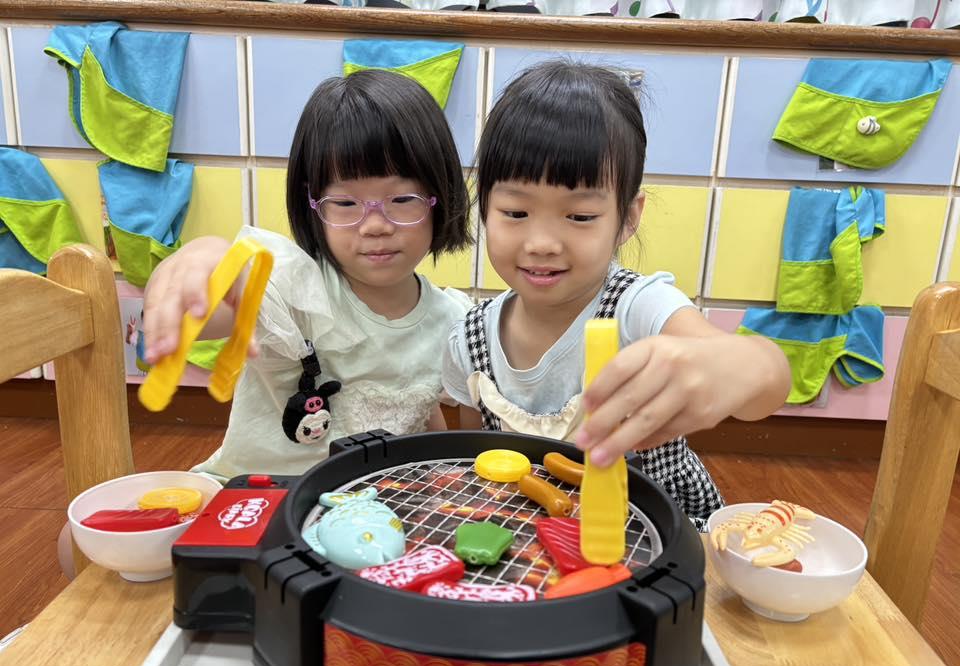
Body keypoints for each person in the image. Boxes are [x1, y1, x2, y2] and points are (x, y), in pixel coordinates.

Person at [442, 60, 791, 529]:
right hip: (532, 537)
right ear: (484, 207)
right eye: (516, 212)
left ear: (628, 217)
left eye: (580, 216)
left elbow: (769, 379)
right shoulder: (469, 338)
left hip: (655, 535)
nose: (542, 243)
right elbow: (478, 460)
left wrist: (736, 365)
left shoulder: (639, 307)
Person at [142, 70, 472, 480]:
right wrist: (198, 263)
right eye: (346, 203)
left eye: (402, 199)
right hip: (255, 495)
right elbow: (218, 306)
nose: (375, 225)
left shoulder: (452, 319)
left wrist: (438, 476)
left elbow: (420, 412)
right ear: (313, 205)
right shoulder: (294, 290)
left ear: (442, 196)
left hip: (364, 506)